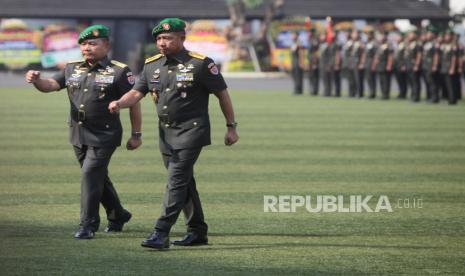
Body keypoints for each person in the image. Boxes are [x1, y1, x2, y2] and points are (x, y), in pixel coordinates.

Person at [108, 18, 239, 250]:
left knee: (176, 181)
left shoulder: (200, 64)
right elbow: (136, 93)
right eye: (159, 38)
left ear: (182, 38)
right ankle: (197, 231)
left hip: (192, 131)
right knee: (185, 181)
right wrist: (120, 102)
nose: (162, 43)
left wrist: (231, 126)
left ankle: (160, 232)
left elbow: (222, 94)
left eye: (167, 38)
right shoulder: (152, 65)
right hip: (166, 133)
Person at [25, 24, 142, 239]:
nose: (87, 47)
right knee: (97, 177)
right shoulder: (72, 68)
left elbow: (134, 102)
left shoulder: (119, 70)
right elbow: (51, 84)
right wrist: (37, 80)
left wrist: (136, 135)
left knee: (90, 174)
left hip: (105, 134)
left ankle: (88, 224)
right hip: (78, 132)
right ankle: (118, 214)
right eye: (84, 43)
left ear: (106, 45)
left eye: (92, 43)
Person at [422, 26, 440, 103]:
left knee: (433, 83)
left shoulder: (435, 44)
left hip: (431, 66)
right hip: (426, 65)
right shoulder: (427, 43)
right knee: (428, 82)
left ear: (433, 34)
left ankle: (435, 98)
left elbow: (436, 55)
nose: (427, 35)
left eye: (428, 33)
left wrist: (435, 66)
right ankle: (430, 97)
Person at [373, 30, 394, 99]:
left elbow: (390, 55)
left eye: (382, 35)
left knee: (386, 80)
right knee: (381, 80)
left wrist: (389, 65)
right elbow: (377, 55)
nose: (381, 37)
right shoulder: (379, 44)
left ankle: (386, 94)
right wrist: (374, 64)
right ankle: (383, 94)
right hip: (379, 64)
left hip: (385, 63)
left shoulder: (388, 44)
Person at [439, 29, 458, 105]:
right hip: (444, 67)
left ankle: (452, 100)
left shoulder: (453, 45)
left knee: (451, 85)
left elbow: (454, 58)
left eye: (448, 35)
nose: (446, 37)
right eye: (446, 35)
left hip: (450, 67)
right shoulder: (444, 45)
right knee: (446, 84)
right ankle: (448, 98)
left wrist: (452, 68)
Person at [404, 30, 423, 102]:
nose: (409, 36)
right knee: (411, 81)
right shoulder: (409, 44)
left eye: (411, 34)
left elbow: (419, 55)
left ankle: (416, 96)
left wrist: (417, 65)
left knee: (415, 82)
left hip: (414, 65)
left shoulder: (417, 44)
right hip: (408, 65)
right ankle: (413, 95)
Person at [348, 30, 365, 98]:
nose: (354, 35)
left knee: (358, 79)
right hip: (351, 62)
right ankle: (352, 93)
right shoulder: (350, 43)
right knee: (351, 79)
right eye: (353, 34)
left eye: (355, 34)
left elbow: (363, 54)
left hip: (357, 62)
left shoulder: (360, 43)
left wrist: (362, 63)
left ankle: (359, 93)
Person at [363, 29, 378, 98]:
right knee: (368, 78)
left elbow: (376, 55)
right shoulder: (367, 43)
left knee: (372, 79)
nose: (367, 36)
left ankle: (373, 93)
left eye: (369, 34)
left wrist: (374, 64)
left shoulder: (374, 43)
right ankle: (370, 92)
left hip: (371, 62)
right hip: (367, 62)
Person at [394, 32, 408, 99]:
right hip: (397, 65)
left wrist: (404, 65)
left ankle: (403, 93)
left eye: (398, 37)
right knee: (399, 80)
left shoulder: (404, 45)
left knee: (403, 80)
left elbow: (405, 57)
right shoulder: (398, 45)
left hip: (401, 65)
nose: (397, 38)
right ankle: (401, 93)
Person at [307, 28, 320, 95]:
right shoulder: (310, 40)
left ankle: (315, 90)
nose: (308, 33)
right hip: (310, 60)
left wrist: (315, 62)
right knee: (310, 76)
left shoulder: (315, 40)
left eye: (309, 32)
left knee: (315, 76)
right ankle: (311, 90)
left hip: (314, 61)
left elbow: (316, 51)